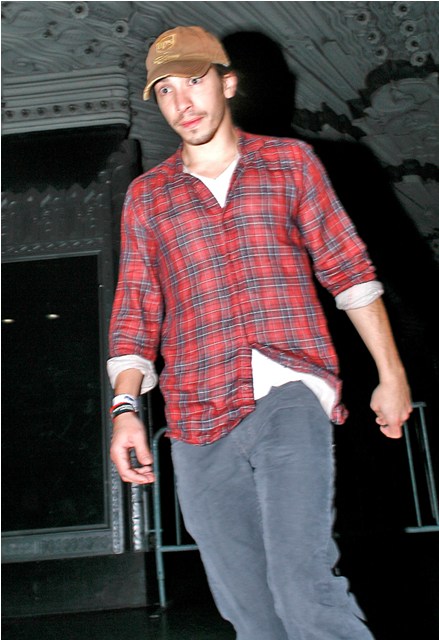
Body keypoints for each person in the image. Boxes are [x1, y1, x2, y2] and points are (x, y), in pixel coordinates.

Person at [107, 25, 412, 640]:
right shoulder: (148, 198)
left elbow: (348, 271)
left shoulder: (289, 164)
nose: (182, 102)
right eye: (165, 90)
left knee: (304, 589)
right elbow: (136, 308)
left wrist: (392, 374)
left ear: (228, 83)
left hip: (289, 394)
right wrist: (124, 409)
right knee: (249, 612)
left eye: (194, 82)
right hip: (196, 415)